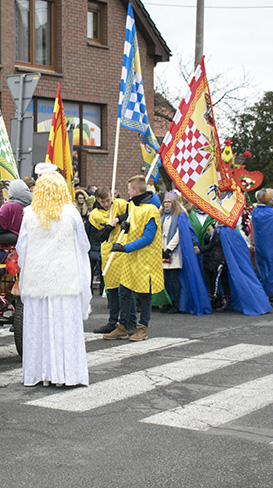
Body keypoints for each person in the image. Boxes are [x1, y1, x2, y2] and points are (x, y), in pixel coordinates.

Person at [16, 165, 90, 387]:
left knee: (38, 328)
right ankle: (67, 374)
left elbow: (22, 248)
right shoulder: (72, 213)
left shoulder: (29, 214)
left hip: (37, 277)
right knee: (65, 327)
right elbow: (83, 246)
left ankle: (40, 373)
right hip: (65, 277)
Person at [106, 175, 164, 341]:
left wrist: (125, 247)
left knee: (144, 294)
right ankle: (123, 326)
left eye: (130, 189)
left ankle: (143, 327)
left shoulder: (151, 210)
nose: (128, 192)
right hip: (131, 258)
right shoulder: (132, 206)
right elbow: (135, 230)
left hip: (145, 259)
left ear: (136, 190)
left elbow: (148, 237)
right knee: (124, 290)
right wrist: (127, 227)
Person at [87, 187, 132, 335]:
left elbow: (133, 214)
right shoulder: (94, 215)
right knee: (111, 289)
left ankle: (129, 322)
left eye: (108, 200)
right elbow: (96, 237)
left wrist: (120, 219)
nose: (107, 204)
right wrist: (109, 227)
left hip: (124, 249)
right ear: (98, 200)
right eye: (103, 201)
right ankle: (113, 321)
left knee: (126, 288)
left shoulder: (120, 204)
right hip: (108, 252)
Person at [249, 188, 273, 302]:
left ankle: (263, 293)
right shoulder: (271, 212)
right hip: (271, 244)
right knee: (271, 267)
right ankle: (270, 291)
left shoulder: (255, 212)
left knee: (261, 267)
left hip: (259, 244)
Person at [159, 190, 183, 313]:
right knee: (165, 279)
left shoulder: (179, 216)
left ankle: (176, 303)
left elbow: (178, 234)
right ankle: (167, 302)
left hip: (173, 252)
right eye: (165, 202)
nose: (167, 204)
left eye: (169, 202)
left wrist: (169, 248)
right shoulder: (162, 216)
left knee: (174, 278)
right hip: (163, 251)